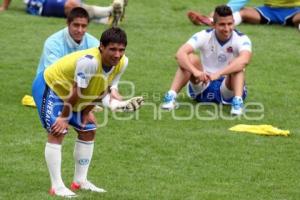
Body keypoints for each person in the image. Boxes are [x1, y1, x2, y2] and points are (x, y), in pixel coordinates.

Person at [32, 27, 129, 197]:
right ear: (101, 47)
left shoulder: (122, 62)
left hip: (71, 93)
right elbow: (77, 91)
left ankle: (80, 181)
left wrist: (86, 112)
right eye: (112, 49)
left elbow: (102, 87)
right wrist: (64, 117)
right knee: (58, 129)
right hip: (51, 87)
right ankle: (57, 186)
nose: (117, 54)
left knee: (89, 128)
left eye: (121, 50)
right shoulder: (89, 62)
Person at [162, 5, 252, 115]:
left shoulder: (242, 38)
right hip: (203, 84)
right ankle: (170, 97)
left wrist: (219, 74)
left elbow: (245, 60)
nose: (227, 29)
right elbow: (180, 54)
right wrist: (196, 72)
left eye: (230, 24)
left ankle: (237, 103)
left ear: (234, 22)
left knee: (237, 64)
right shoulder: (204, 35)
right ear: (213, 24)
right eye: (222, 24)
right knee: (190, 58)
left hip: (228, 87)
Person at [187, 0, 300, 30]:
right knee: (243, 12)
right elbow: (238, 1)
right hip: (269, 11)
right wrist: (218, 13)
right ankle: (212, 21)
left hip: (295, 11)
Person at [0, 0, 128, 26]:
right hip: (41, 4)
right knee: (71, 5)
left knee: (74, 5)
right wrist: (4, 7)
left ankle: (107, 19)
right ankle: (111, 11)